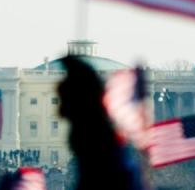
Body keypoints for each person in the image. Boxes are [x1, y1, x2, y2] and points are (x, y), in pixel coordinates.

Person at [58, 55, 147, 190]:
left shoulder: (95, 140)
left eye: (65, 100)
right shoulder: (98, 136)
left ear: (79, 101)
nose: (60, 111)